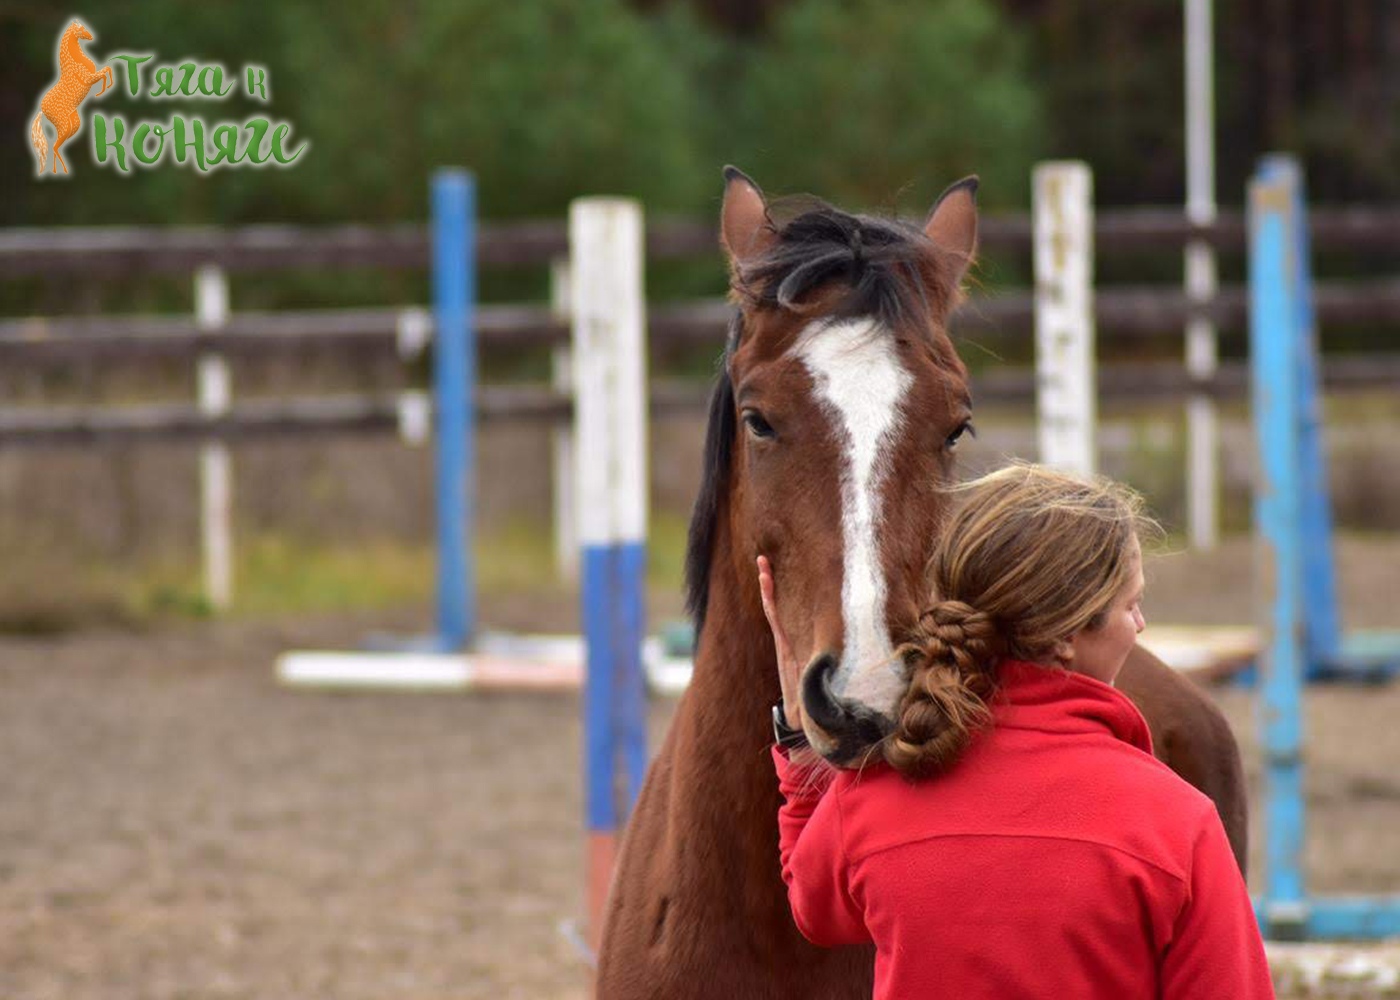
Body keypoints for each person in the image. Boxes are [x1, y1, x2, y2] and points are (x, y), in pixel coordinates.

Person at [759, 463, 1274, 1000]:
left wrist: (800, 742)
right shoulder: (1177, 824)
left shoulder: (869, 801)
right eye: (1132, 605)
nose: (1139, 626)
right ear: (1068, 638)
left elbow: (813, 907)